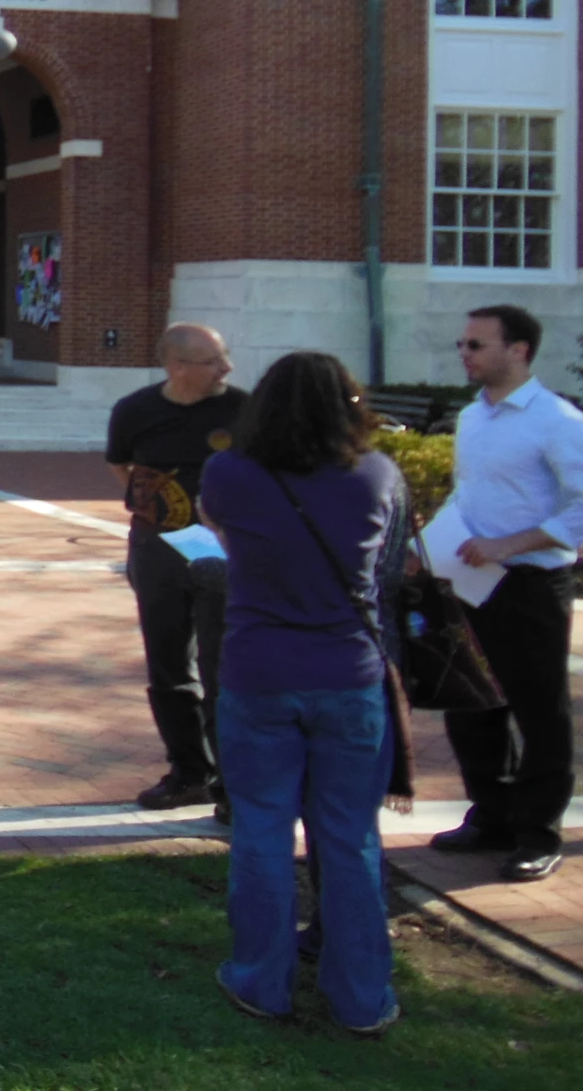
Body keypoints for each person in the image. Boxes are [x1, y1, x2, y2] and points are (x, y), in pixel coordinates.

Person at [198, 351, 406, 1038]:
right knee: (349, 838)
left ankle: (262, 978)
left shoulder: (230, 472)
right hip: (349, 675)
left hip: (258, 672)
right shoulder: (376, 473)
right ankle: (362, 996)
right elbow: (391, 565)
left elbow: (220, 531)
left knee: (260, 828)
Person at [430, 304, 582, 884]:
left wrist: (510, 544)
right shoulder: (474, 417)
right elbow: (466, 496)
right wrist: (433, 543)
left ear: (518, 350)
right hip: (467, 581)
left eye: (476, 345)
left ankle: (537, 834)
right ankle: (489, 816)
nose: (464, 354)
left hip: (529, 585)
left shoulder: (558, 421)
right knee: (470, 701)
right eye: (463, 344)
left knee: (538, 711)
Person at [106, 322, 247, 812]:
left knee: (222, 667)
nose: (227, 368)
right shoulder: (134, 410)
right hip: (158, 549)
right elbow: (121, 466)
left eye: (225, 356)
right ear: (178, 366)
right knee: (167, 664)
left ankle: (233, 786)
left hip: (224, 551)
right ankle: (189, 772)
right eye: (214, 360)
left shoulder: (243, 410)